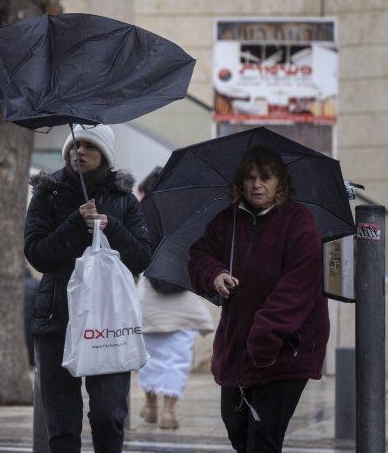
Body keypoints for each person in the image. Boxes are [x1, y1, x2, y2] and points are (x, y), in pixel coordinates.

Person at [188, 145, 328, 453]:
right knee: (238, 433)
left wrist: (263, 337)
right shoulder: (228, 221)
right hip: (237, 349)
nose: (257, 185)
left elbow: (296, 290)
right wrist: (215, 274)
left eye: (266, 177)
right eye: (250, 178)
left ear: (280, 182)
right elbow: (200, 255)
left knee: (263, 440)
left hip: (284, 350)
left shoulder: (299, 223)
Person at [24, 124, 152, 453]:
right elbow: (37, 254)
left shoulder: (124, 199)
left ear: (105, 155)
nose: (79, 152)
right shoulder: (47, 193)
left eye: (88, 146)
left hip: (107, 323)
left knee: (110, 415)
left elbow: (141, 258)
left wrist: (111, 227)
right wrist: (74, 223)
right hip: (57, 320)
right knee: (62, 425)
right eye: (74, 146)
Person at [134, 166, 215, 430]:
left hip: (150, 301)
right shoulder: (189, 215)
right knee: (177, 360)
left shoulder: (142, 217)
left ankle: (151, 406)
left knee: (147, 357)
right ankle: (169, 411)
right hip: (183, 300)